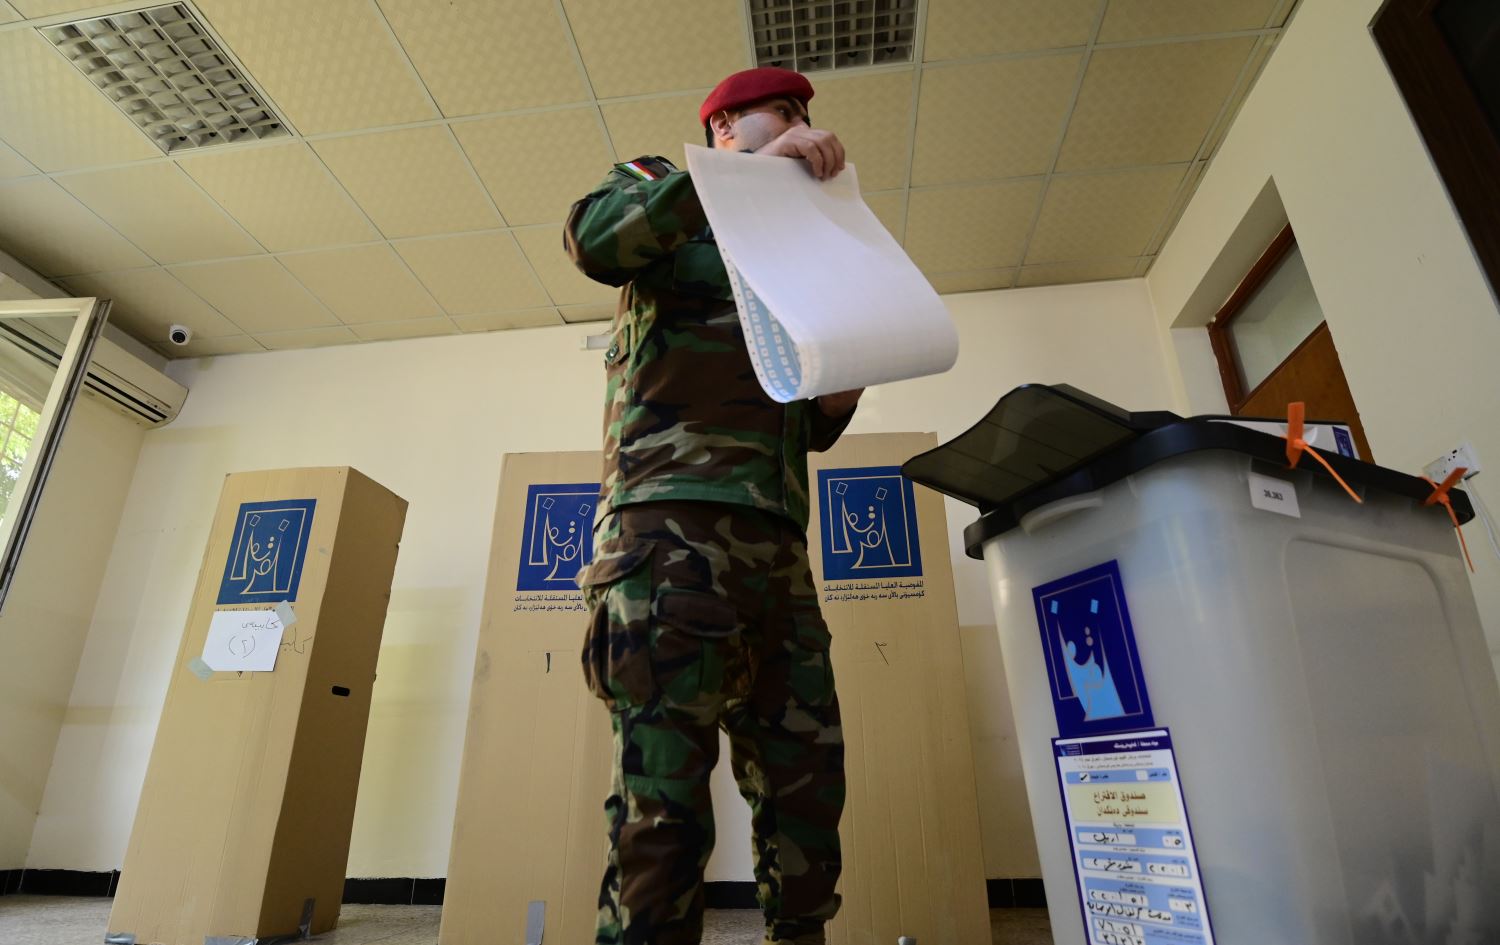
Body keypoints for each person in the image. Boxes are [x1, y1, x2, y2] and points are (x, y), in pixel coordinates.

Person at [566, 66, 861, 945]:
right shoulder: (660, 186)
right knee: (663, 806)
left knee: (807, 785)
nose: (805, 126)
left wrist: (849, 374)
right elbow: (594, 240)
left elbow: (809, 426)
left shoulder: (793, 252)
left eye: (806, 114)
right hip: (669, 535)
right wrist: (741, 178)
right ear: (726, 127)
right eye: (785, 112)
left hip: (777, 549)